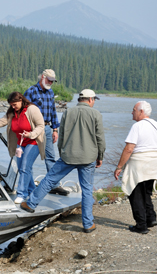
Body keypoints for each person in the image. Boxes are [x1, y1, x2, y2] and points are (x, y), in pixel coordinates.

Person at [21, 89, 106, 234]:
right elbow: (100, 139)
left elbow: (62, 136)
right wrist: (100, 156)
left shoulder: (68, 112)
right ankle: (88, 224)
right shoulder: (95, 114)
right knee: (86, 189)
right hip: (88, 157)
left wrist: (62, 152)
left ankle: (31, 204)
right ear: (90, 99)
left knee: (49, 179)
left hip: (68, 156)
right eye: (93, 100)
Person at [0, 92, 45, 204]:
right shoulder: (12, 113)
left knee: (25, 167)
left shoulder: (32, 109)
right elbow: (0, 122)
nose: (13, 107)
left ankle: (21, 194)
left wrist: (30, 134)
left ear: (21, 100)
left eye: (14, 104)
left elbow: (41, 125)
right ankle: (32, 192)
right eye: (11, 104)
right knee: (21, 168)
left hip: (33, 141)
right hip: (20, 144)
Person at [114, 101, 157, 234]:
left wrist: (119, 167)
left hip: (139, 162)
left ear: (141, 111)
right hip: (154, 160)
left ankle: (141, 225)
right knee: (146, 192)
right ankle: (151, 218)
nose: (132, 112)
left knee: (135, 192)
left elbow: (129, 149)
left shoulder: (137, 126)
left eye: (134, 110)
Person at [24, 69, 68, 196]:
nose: (51, 83)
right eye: (49, 80)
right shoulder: (31, 91)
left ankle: (54, 185)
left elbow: (53, 111)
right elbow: (23, 111)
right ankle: (29, 186)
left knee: (51, 158)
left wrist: (55, 129)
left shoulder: (50, 92)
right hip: (35, 129)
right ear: (42, 77)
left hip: (48, 129)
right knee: (28, 159)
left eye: (53, 81)